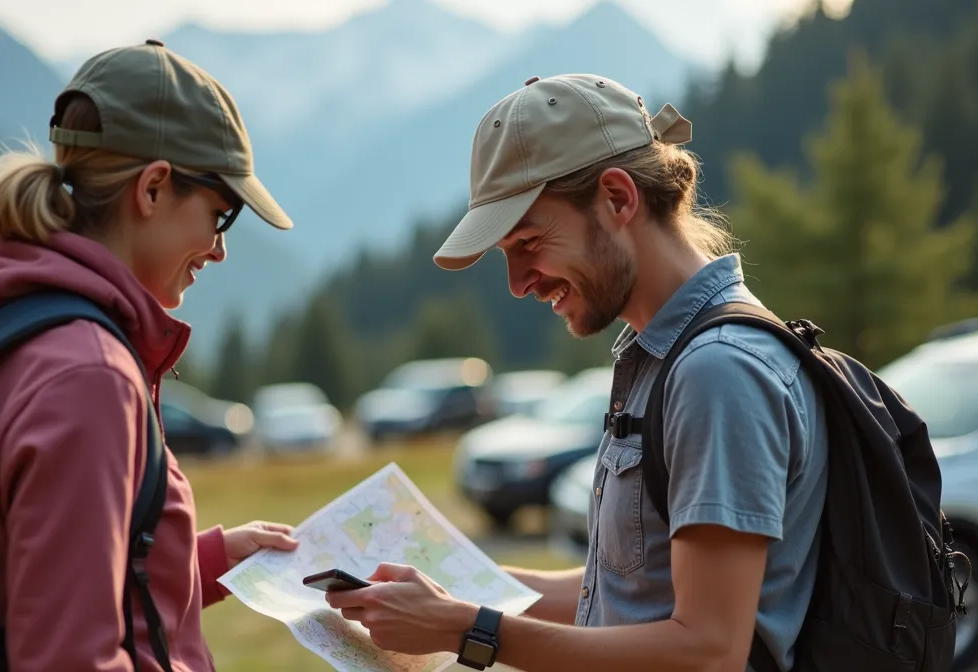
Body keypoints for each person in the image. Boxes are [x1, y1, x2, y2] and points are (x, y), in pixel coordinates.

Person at [326, 74, 830, 671]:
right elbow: (620, 593)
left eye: (529, 242)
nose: (517, 284)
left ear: (617, 198)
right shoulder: (664, 358)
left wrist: (468, 628)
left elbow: (706, 650)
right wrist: (449, 584)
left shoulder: (717, 373)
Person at [0, 40, 299, 671]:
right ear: (155, 188)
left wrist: (210, 559)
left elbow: (42, 571)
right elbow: (69, 657)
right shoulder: (88, 375)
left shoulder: (6, 319)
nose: (218, 250)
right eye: (221, 216)